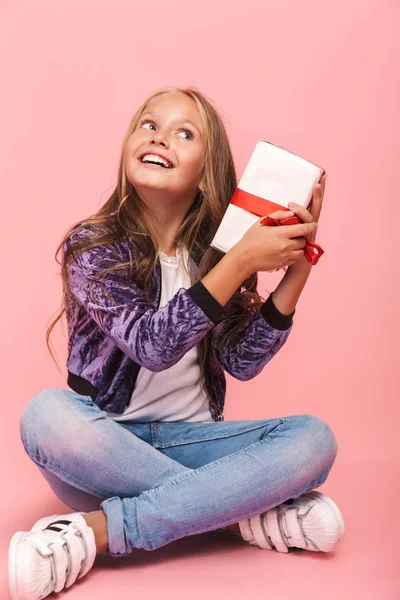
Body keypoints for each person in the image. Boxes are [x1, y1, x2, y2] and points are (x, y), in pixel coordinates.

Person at [8, 86, 345, 600]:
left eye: (184, 134)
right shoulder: (91, 247)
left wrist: (297, 268)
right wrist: (240, 264)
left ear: (207, 172)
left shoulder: (216, 254)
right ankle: (236, 515)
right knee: (45, 415)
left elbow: (241, 360)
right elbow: (152, 344)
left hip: (194, 444)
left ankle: (99, 532)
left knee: (315, 439)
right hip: (103, 453)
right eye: (150, 125)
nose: (160, 137)